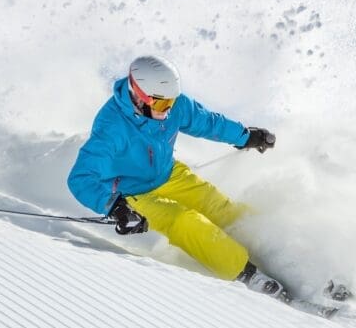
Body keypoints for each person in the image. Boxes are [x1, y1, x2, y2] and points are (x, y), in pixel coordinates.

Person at [67, 55, 284, 297]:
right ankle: (246, 274)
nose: (168, 110)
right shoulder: (112, 127)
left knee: (218, 206)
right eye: (161, 105)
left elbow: (207, 122)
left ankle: (278, 254)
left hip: (168, 174)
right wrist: (115, 207)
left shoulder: (172, 105)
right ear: (139, 96)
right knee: (184, 221)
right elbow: (80, 178)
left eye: (171, 101)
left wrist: (244, 137)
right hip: (133, 192)